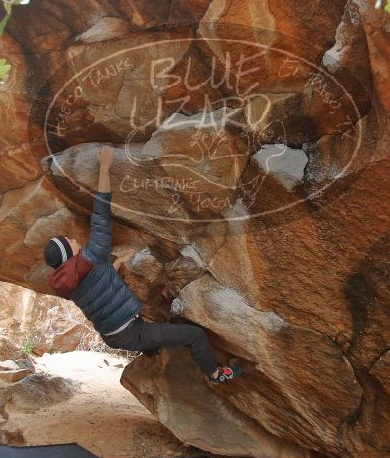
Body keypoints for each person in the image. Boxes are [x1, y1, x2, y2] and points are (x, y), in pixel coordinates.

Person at [43, 146, 241, 384]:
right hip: (130, 332)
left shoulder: (68, 283)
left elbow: (100, 285)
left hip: (113, 334)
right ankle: (216, 374)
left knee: (153, 326)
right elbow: (101, 214)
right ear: (68, 255)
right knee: (195, 335)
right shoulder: (92, 256)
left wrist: (118, 262)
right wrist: (104, 168)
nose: (75, 240)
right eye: (70, 242)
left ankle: (147, 345)